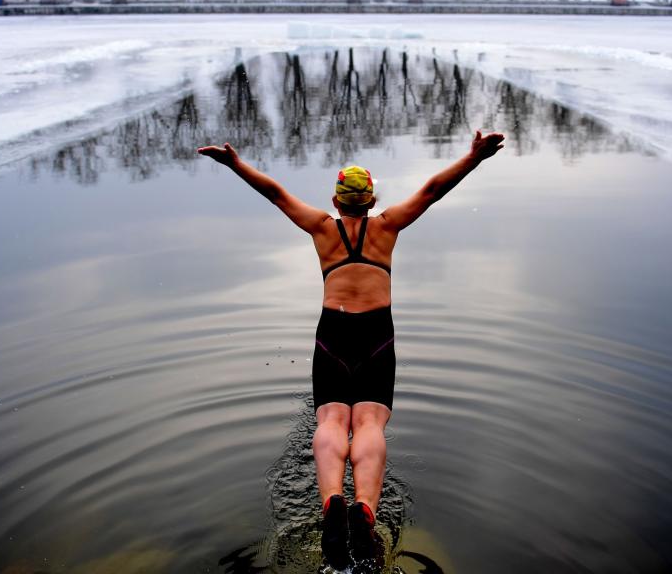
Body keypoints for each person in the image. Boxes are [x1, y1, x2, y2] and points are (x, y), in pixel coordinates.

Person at [197, 130, 505, 570]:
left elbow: (276, 193)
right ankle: (364, 508)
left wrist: (235, 164)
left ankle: (332, 503)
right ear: (372, 198)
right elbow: (434, 190)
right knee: (369, 422)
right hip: (378, 335)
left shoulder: (323, 228)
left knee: (331, 418)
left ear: (337, 201)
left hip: (333, 334)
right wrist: (474, 157)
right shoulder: (388, 225)